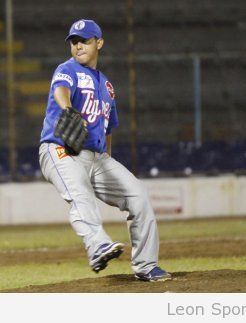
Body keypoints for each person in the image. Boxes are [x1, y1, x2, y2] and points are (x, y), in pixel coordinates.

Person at [38, 19, 171, 281]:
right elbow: (60, 91)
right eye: (74, 42)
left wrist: (107, 159)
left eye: (84, 41)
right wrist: (67, 109)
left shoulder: (107, 86)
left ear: (99, 43)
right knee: (80, 196)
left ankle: (145, 265)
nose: (78, 46)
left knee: (138, 195)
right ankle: (97, 245)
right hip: (61, 149)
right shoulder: (67, 70)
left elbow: (108, 127)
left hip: (97, 157)